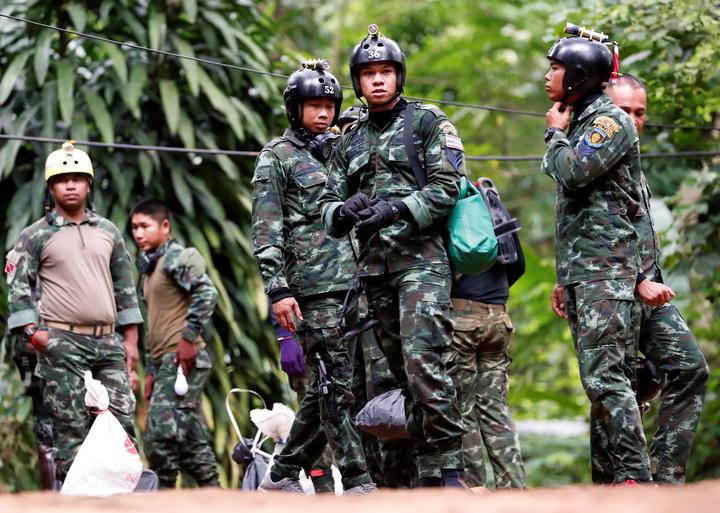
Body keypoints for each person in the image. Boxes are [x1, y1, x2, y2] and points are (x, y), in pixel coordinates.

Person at [319, 24, 466, 488]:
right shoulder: (350, 139)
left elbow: (449, 187)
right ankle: (426, 475)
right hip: (375, 271)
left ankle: (451, 471)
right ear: (357, 82)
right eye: (368, 74)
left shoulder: (426, 122)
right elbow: (326, 206)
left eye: (386, 72)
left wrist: (398, 208)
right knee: (403, 377)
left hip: (421, 263)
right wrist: (344, 211)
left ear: (399, 77)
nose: (377, 81)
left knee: (425, 366)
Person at [551, 74, 709, 484]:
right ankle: (621, 482)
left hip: (644, 286)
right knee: (611, 377)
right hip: (616, 283)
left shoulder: (628, 165)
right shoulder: (587, 152)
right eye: (624, 111)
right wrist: (569, 278)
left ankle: (666, 476)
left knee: (688, 366)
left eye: (639, 113)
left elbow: (624, 225)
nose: (632, 121)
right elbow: (578, 223)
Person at [251, 60, 376, 495]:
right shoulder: (276, 157)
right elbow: (267, 230)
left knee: (335, 386)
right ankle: (359, 482)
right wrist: (278, 289)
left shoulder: (341, 151)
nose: (323, 114)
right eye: (313, 105)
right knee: (336, 384)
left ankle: (283, 473)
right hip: (310, 289)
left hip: (355, 284)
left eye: (329, 105)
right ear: (295, 108)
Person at [541, 35, 651, 484]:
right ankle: (613, 482)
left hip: (606, 271)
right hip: (586, 272)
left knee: (607, 379)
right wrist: (564, 277)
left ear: (580, 77)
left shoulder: (608, 123)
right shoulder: (584, 120)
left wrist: (554, 133)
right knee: (603, 381)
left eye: (555, 68)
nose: (547, 77)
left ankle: (636, 477)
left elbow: (572, 173)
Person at [5, 141, 143, 482]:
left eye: (78, 178)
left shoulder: (108, 231)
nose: (70, 185)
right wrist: (33, 335)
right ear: (51, 187)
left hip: (108, 342)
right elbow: (19, 286)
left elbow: (125, 287)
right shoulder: (35, 235)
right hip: (60, 341)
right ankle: (74, 501)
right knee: (71, 431)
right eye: (62, 179)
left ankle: (123, 500)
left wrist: (131, 341)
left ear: (88, 185)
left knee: (122, 421)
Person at [129, 199, 220, 488]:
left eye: (145, 226)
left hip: (183, 360)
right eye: (134, 228)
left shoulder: (175, 258)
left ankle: (164, 493)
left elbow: (207, 293)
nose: (139, 234)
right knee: (189, 437)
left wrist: (188, 338)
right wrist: (152, 372)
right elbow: (153, 325)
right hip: (165, 363)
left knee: (159, 436)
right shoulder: (149, 269)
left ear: (165, 226)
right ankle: (215, 493)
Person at [445, 225, 527, 489]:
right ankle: (514, 488)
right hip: (499, 319)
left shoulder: (449, 210)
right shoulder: (491, 205)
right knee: (495, 409)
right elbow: (519, 265)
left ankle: (475, 489)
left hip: (462, 320)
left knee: (463, 410)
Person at [270, 307, 336, 493]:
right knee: (316, 413)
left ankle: (365, 484)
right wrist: (285, 337)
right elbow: (278, 289)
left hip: (346, 331)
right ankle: (324, 490)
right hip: (306, 338)